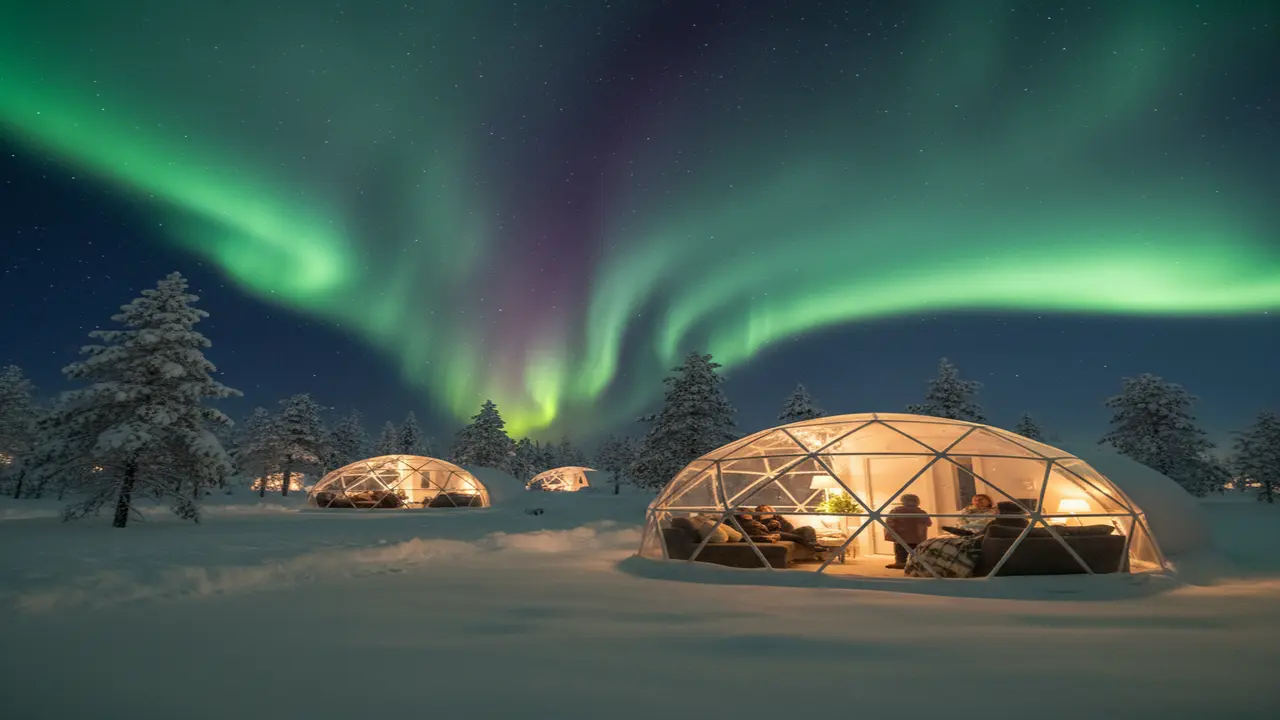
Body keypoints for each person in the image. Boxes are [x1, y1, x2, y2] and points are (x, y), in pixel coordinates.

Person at [884, 493, 932, 569]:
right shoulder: (921, 512)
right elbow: (928, 523)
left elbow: (890, 521)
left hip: (901, 536)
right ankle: (914, 562)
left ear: (903, 501)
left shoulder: (896, 511)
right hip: (917, 537)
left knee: (900, 551)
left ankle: (901, 562)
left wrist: (891, 532)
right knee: (915, 551)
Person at [754, 505, 823, 551]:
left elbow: (785, 524)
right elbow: (764, 529)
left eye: (768, 508)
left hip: (789, 532)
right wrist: (768, 521)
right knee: (798, 537)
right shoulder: (759, 519)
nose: (767, 509)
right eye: (764, 509)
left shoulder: (777, 516)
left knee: (808, 528)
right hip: (776, 533)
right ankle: (811, 546)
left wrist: (776, 520)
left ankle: (814, 544)